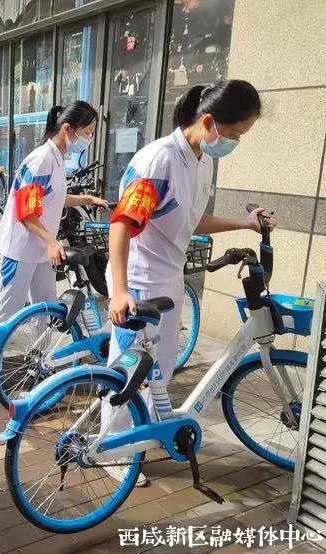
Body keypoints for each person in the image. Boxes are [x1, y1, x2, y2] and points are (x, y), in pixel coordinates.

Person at [102, 80, 277, 486]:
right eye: (235, 134)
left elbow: (192, 219)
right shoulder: (159, 161)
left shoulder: (201, 160)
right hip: (139, 279)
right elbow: (122, 225)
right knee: (129, 369)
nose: (235, 142)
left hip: (168, 277)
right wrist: (121, 290)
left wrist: (244, 223)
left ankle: (142, 435)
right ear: (210, 121)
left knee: (160, 367)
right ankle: (110, 447)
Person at [0, 101, 109, 395]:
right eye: (87, 132)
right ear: (68, 129)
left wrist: (87, 199)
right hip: (19, 249)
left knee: (45, 307)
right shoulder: (41, 160)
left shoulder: (57, 157)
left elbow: (54, 197)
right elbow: (27, 213)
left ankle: (38, 360)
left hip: (40, 248)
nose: (89, 138)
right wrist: (52, 242)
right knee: (6, 311)